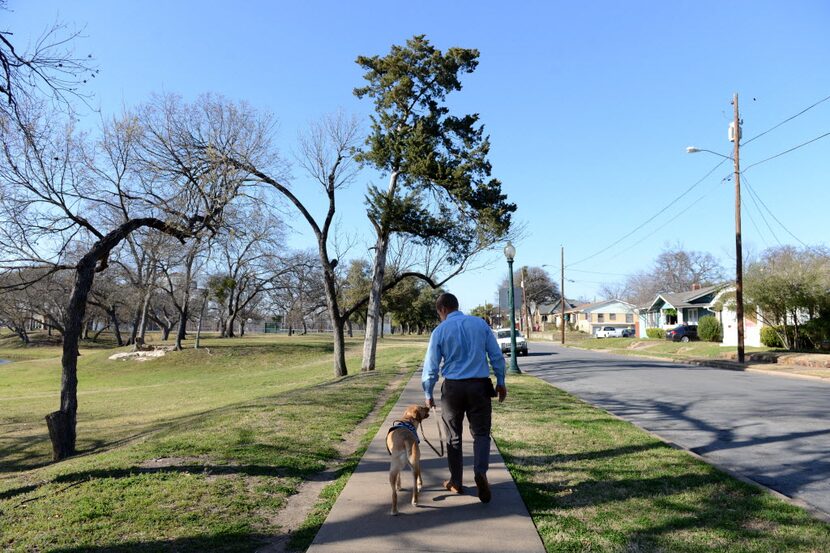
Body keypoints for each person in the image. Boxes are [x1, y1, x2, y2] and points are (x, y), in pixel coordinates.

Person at [422, 292, 507, 503]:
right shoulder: (480, 324)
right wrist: (501, 382)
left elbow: (431, 367)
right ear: (456, 306)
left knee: (454, 436)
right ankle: (480, 472)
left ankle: (456, 481)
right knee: (481, 434)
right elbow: (495, 355)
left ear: (442, 310)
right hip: (479, 386)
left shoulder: (440, 331)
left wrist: (428, 392)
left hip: (453, 389)